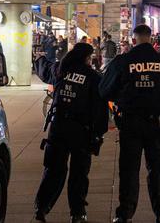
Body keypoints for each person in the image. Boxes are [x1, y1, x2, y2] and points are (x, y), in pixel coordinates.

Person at [100, 25, 160, 223]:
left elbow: (104, 90)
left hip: (130, 122)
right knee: (157, 168)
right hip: (156, 123)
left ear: (134, 39)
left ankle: (124, 214)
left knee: (129, 169)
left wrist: (122, 97)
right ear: (150, 38)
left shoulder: (123, 61)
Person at [34, 43, 108, 223]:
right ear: (86, 58)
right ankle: (77, 213)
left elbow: (43, 68)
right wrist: (98, 134)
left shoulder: (60, 70)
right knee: (79, 174)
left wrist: (39, 57)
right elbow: (100, 109)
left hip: (58, 127)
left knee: (53, 170)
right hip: (81, 131)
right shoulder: (92, 77)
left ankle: (41, 208)